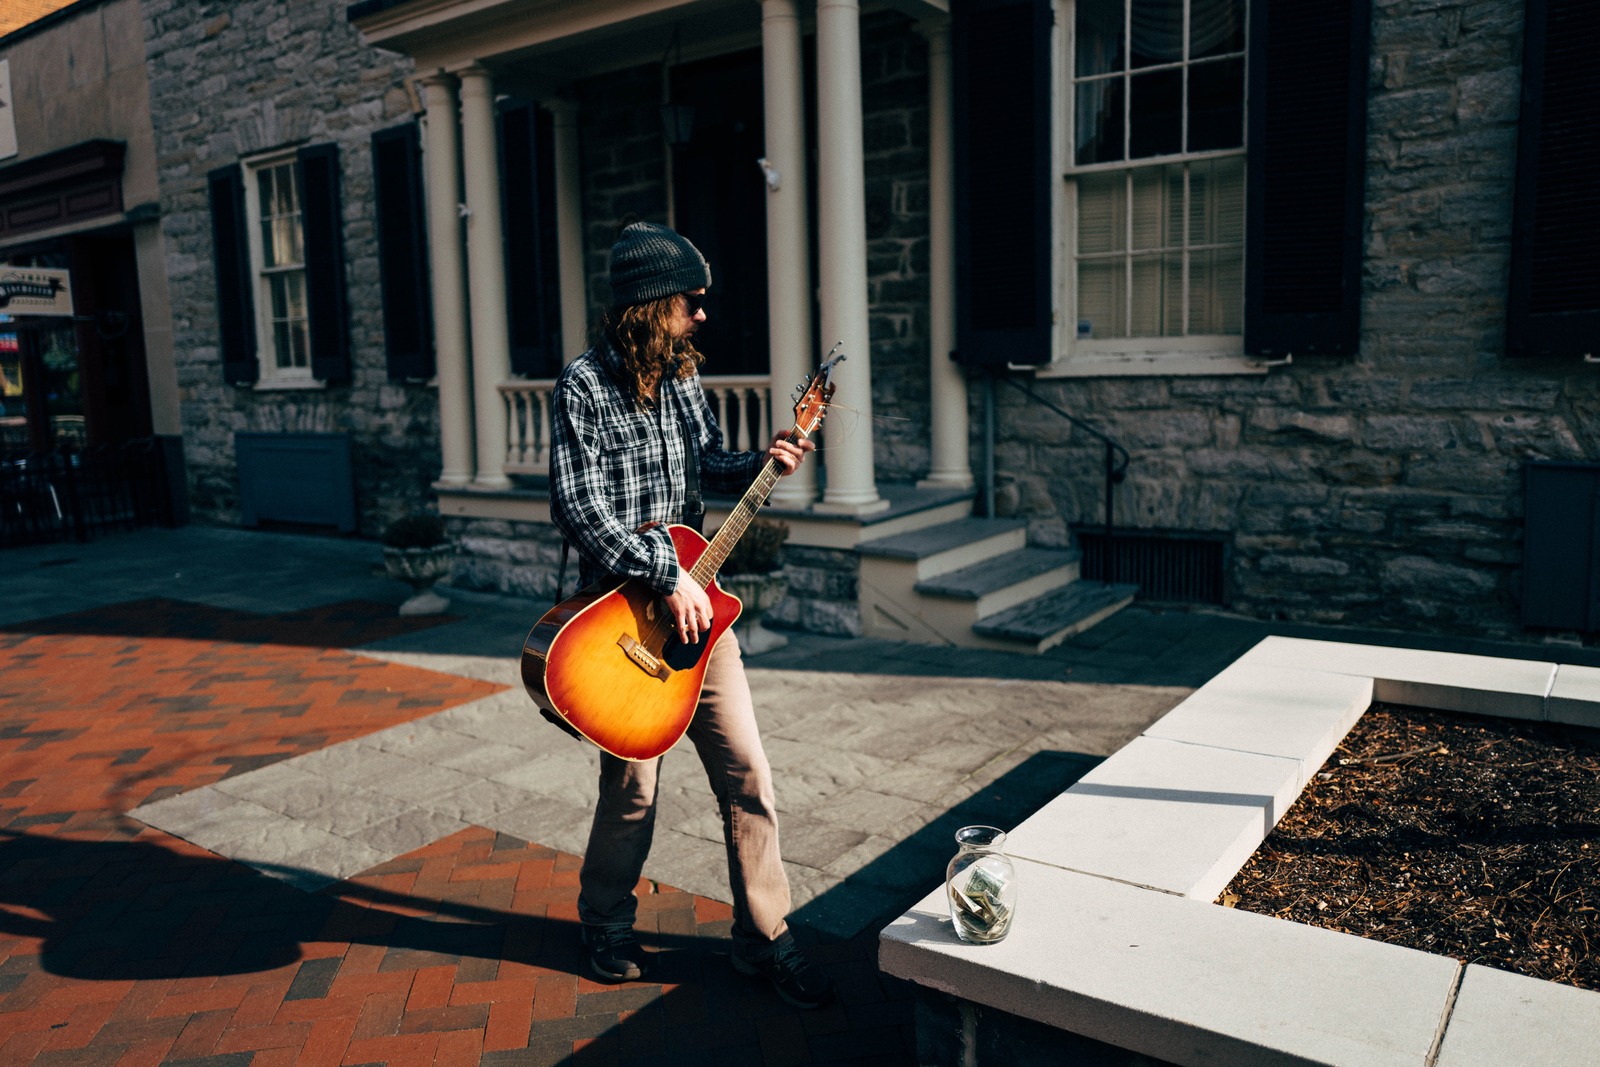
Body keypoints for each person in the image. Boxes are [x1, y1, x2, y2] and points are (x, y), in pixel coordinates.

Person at [548, 220, 834, 1009]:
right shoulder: (583, 386)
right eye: (689, 302)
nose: (701, 315)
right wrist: (662, 570)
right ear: (650, 305)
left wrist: (764, 460)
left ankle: (764, 938)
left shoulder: (680, 377)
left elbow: (709, 459)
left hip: (702, 615)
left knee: (749, 775)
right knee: (633, 793)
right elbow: (578, 506)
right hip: (623, 622)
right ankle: (605, 923)